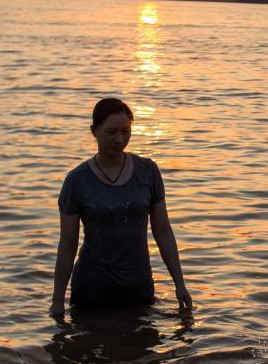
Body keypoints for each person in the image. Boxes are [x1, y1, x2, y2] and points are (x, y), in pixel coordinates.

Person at [50, 98, 192, 317]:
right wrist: (57, 301)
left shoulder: (148, 171)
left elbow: (163, 231)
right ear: (94, 131)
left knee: (142, 349)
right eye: (111, 132)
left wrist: (180, 283)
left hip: (138, 285)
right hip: (92, 289)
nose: (120, 139)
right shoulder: (77, 180)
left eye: (126, 131)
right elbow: (68, 244)